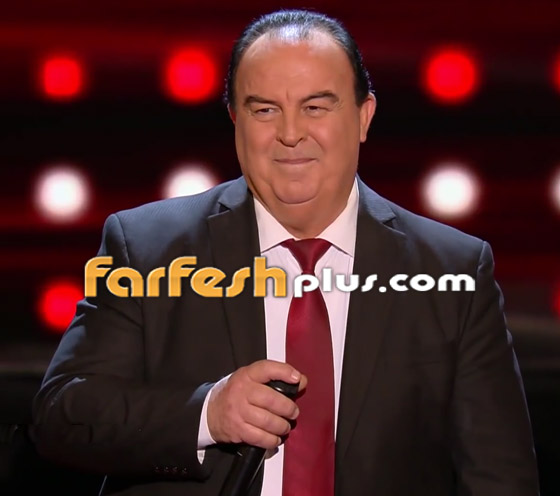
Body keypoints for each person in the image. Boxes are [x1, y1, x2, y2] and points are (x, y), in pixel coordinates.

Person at [31, 8, 540, 496]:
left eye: (316, 107)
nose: (291, 134)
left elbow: (500, 478)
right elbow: (60, 416)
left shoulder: (453, 271)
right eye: (264, 110)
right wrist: (206, 414)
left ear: (364, 116)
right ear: (235, 119)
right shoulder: (148, 249)